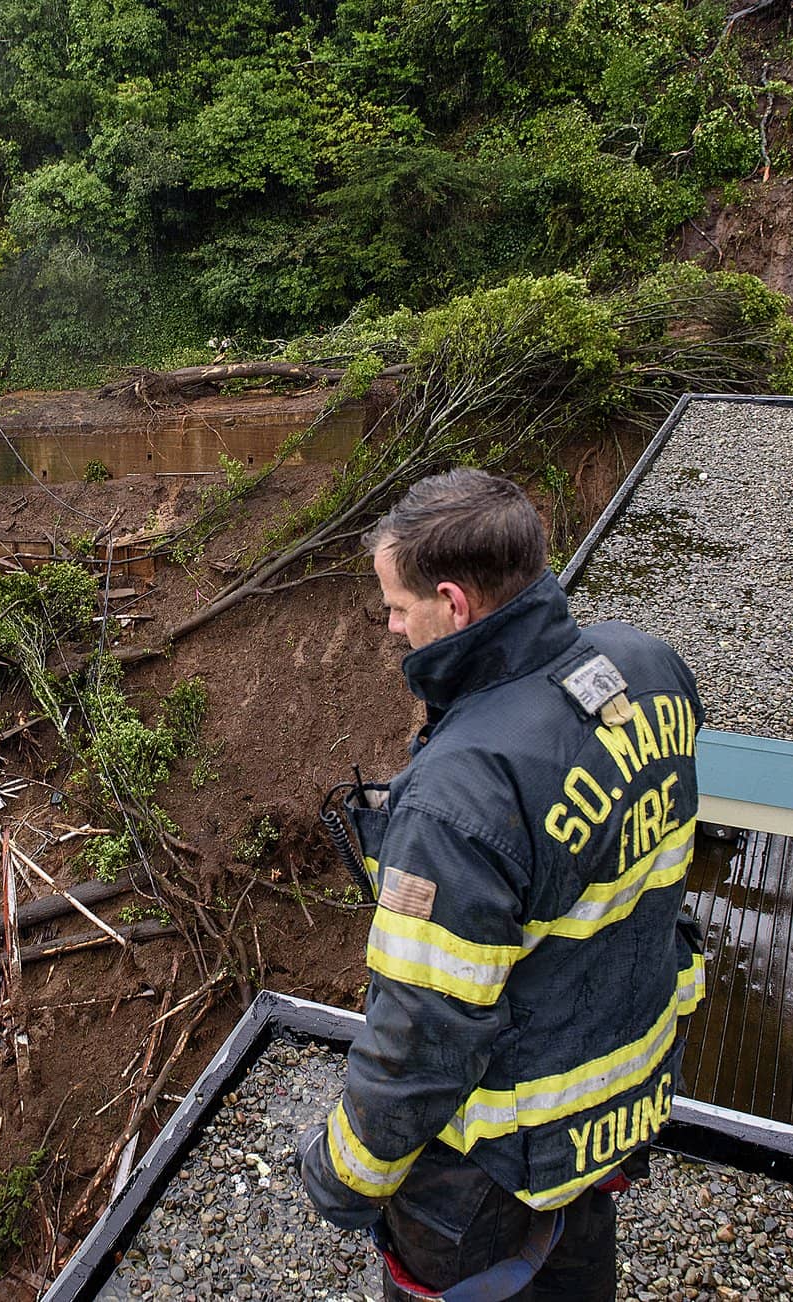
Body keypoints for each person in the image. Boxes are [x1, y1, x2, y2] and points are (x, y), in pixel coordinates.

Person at [300, 469, 706, 1301]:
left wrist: (341, 1175)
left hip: (485, 1172)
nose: (389, 625)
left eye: (397, 607)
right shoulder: (646, 669)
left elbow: (425, 1029)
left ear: (453, 605)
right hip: (612, 1117)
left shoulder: (461, 795)